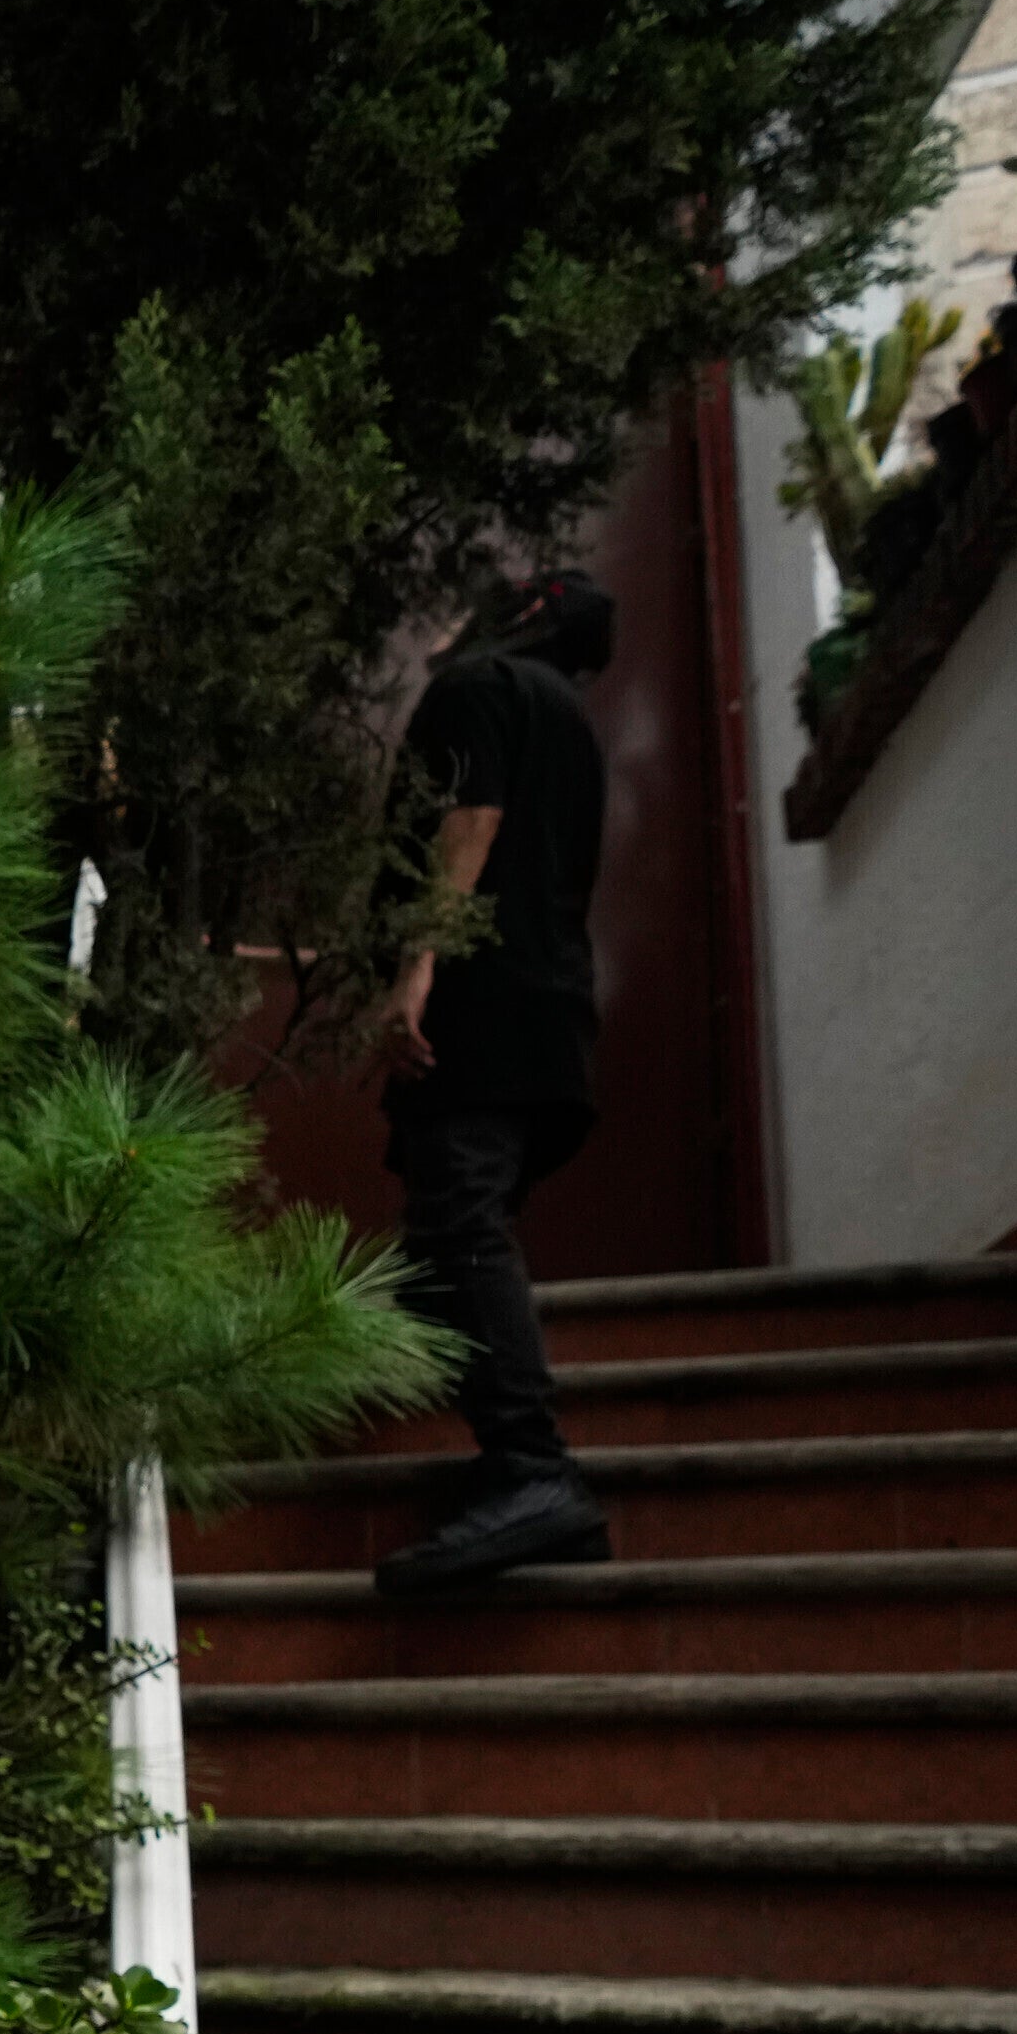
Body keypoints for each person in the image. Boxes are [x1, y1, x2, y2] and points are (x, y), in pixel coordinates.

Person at [373, 570, 621, 1593]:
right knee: (444, 1232)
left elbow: (466, 822)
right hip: (546, 1017)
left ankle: (531, 1469)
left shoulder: (482, 686)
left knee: (461, 1223)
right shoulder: (568, 722)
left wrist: (415, 964)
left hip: (483, 1010)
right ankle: (494, 1454)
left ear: (525, 619)